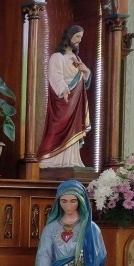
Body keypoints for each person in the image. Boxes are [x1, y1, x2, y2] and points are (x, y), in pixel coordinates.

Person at [39, 25, 92, 168]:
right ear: (69, 36)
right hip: (64, 101)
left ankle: (71, 160)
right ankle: (51, 158)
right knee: (58, 127)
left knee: (74, 129)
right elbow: (55, 76)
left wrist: (86, 71)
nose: (79, 40)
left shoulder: (76, 58)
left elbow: (83, 79)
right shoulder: (58, 57)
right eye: (77, 37)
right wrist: (63, 89)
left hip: (76, 102)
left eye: (81, 37)